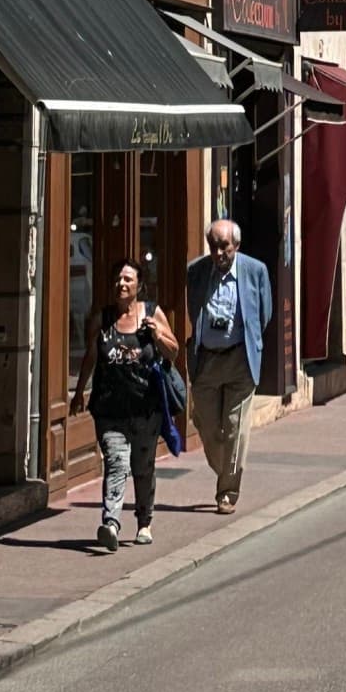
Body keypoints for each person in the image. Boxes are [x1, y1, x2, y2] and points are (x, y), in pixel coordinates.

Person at [69, 260, 180, 552]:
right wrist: (79, 390)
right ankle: (111, 523)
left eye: (128, 279)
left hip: (146, 408)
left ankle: (144, 521)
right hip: (109, 409)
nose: (122, 284)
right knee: (116, 462)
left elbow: (174, 351)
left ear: (139, 286)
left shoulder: (152, 313)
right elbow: (90, 357)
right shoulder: (102, 318)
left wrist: (157, 335)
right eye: (118, 279)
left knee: (142, 468)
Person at [184, 218, 272, 516]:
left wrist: (249, 343)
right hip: (207, 358)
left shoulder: (255, 271)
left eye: (224, 247)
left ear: (236, 246)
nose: (218, 253)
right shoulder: (196, 272)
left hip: (239, 358)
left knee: (235, 428)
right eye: (213, 246)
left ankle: (227, 491)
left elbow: (264, 314)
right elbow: (192, 311)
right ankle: (224, 469)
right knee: (207, 426)